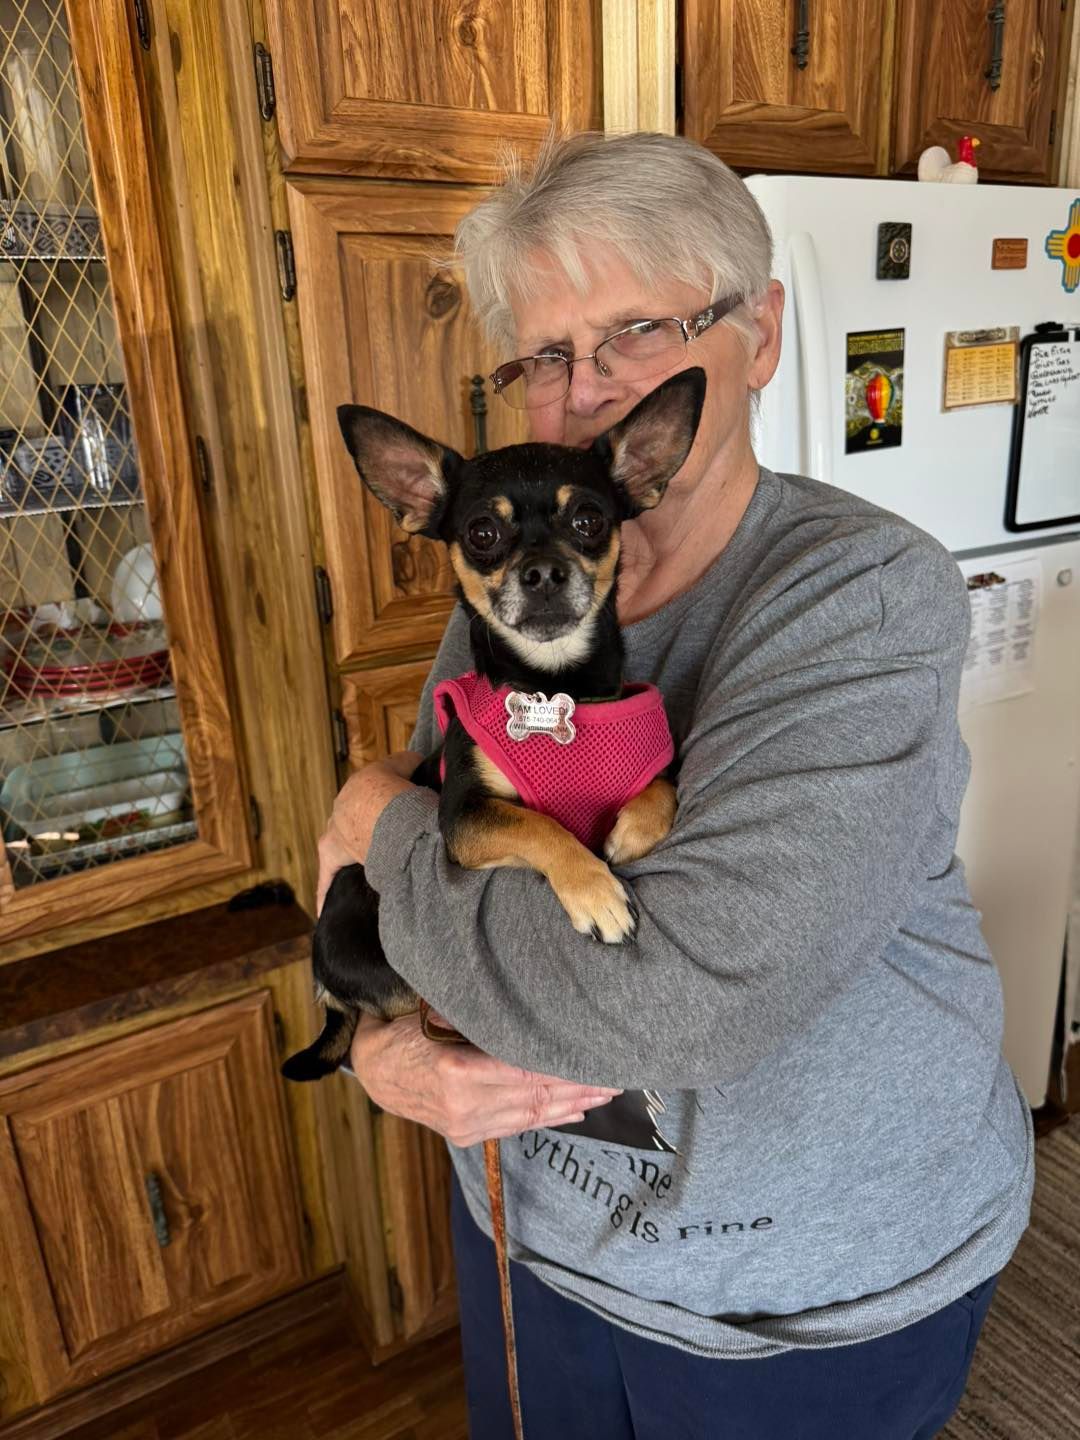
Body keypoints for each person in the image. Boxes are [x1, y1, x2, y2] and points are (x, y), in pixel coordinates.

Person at [317, 132, 1033, 1439]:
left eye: (637, 330)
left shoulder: (862, 596)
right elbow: (387, 881)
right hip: (533, 1240)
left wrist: (371, 816)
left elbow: (679, 1004)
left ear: (758, 334)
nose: (585, 392)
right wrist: (386, 1052)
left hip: (796, 1304)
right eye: (543, 354)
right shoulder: (514, 606)